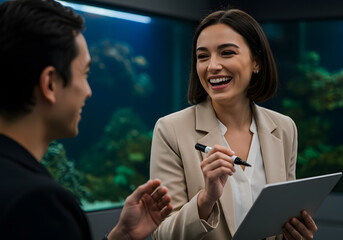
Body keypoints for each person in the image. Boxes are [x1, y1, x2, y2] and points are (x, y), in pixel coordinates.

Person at [0, 0, 172, 239]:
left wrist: (121, 236)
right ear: (50, 83)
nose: (89, 91)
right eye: (85, 73)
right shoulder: (39, 204)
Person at [150, 9, 317, 240]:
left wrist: (295, 234)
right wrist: (205, 199)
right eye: (202, 56)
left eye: (226, 53)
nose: (212, 66)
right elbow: (162, 234)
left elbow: (283, 219)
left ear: (256, 62)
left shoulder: (285, 128)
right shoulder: (170, 130)